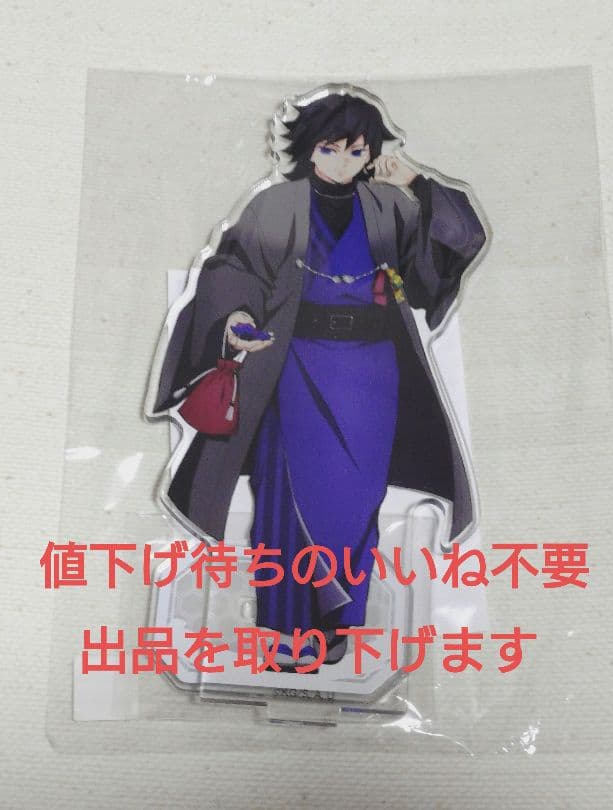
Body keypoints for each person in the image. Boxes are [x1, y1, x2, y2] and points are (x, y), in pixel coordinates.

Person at [149, 86, 490, 668]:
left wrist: (416, 182)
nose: (342, 162)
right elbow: (233, 268)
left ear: (373, 153)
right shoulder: (276, 205)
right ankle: (282, 630)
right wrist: (236, 318)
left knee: (358, 503)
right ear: (308, 148)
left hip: (372, 374)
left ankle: (339, 626)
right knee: (282, 501)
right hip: (293, 364)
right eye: (329, 148)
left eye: (357, 151)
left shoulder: (390, 206)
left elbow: (459, 241)